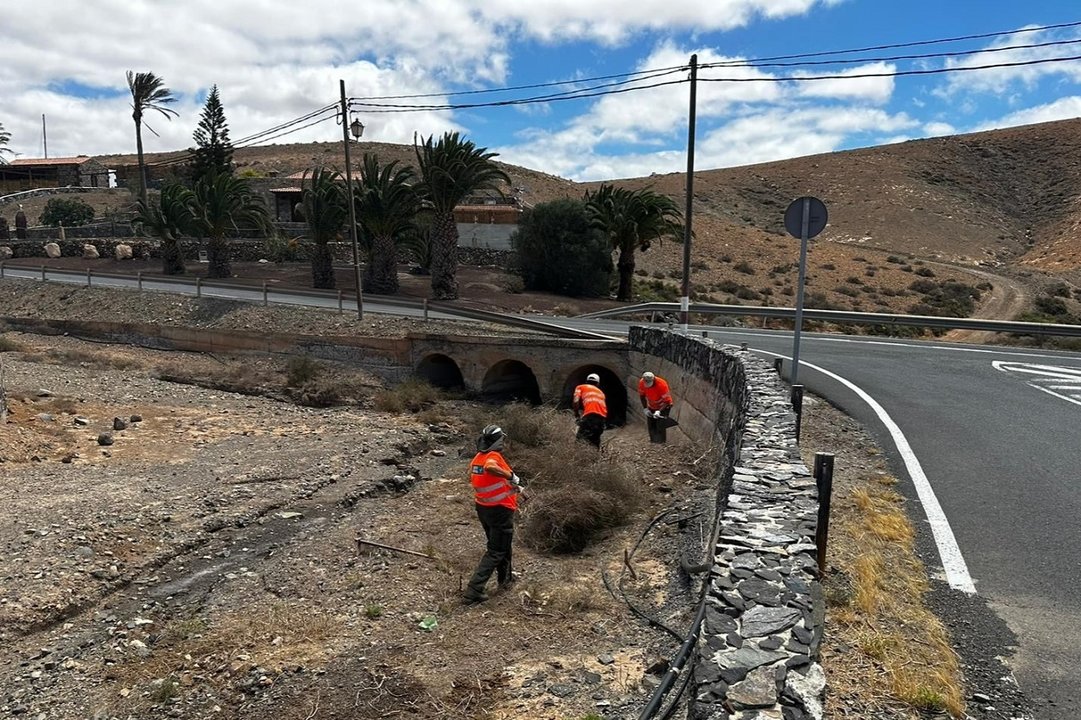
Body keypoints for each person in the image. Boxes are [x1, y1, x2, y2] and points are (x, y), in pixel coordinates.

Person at [464, 424, 523, 604]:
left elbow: (486, 478)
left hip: (484, 508)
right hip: (499, 510)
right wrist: (510, 476)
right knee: (496, 550)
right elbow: (491, 468)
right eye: (502, 440)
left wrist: (515, 487)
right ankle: (474, 590)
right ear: (497, 441)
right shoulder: (492, 457)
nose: (503, 443)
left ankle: (505, 580)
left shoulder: (477, 459)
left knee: (502, 545)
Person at [572, 372, 608, 448]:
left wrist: (576, 414)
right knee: (594, 443)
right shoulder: (601, 393)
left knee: (580, 440)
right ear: (597, 384)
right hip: (601, 420)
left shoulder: (580, 387)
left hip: (590, 416)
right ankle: (595, 458)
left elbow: (576, 401)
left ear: (586, 381)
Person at [638, 371, 674, 444]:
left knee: (660, 425)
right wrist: (645, 408)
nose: (648, 386)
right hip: (652, 406)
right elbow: (642, 396)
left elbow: (667, 402)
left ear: (653, 379)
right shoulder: (642, 382)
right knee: (651, 425)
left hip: (664, 407)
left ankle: (661, 444)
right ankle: (653, 443)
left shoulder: (662, 385)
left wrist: (659, 411)